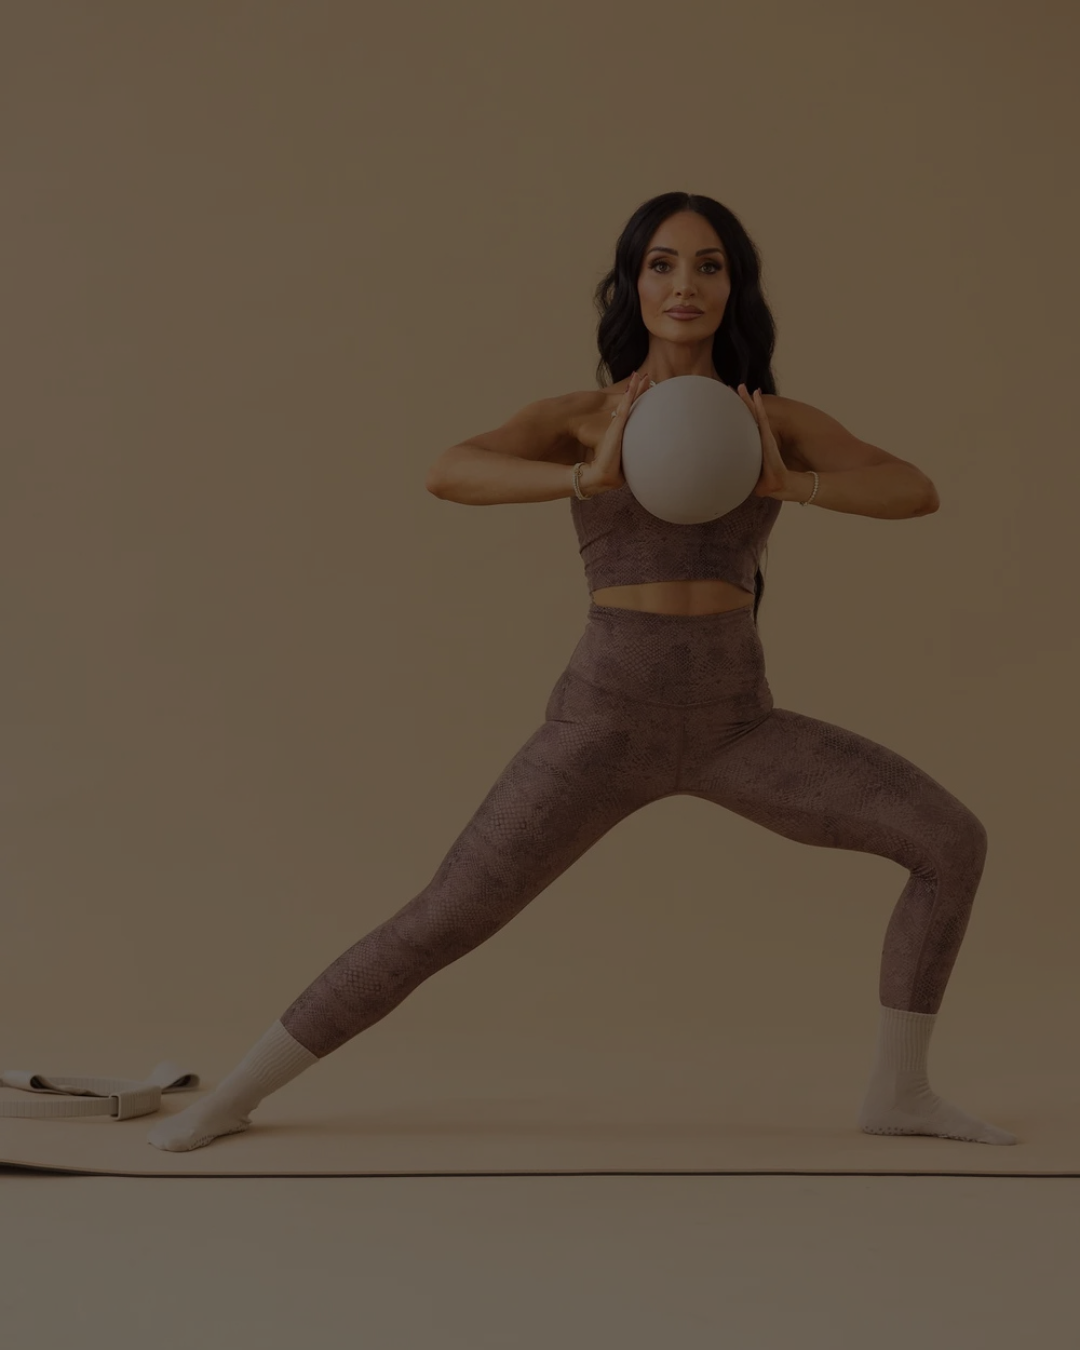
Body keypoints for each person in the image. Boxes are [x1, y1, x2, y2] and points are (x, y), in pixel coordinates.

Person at [149, 191, 1015, 1152]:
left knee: (949, 842)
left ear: (735, 288)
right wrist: (585, 474)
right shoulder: (585, 416)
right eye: (661, 263)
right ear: (631, 284)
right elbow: (449, 470)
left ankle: (901, 1093)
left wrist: (790, 482)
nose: (684, 283)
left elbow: (914, 489)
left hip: (737, 725)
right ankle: (230, 1097)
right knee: (444, 917)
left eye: (708, 265)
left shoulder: (770, 419)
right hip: (602, 723)